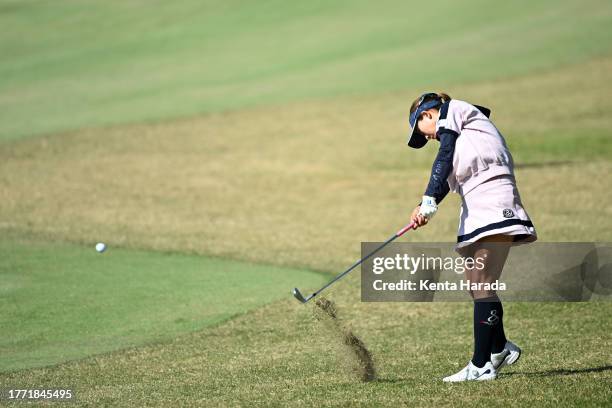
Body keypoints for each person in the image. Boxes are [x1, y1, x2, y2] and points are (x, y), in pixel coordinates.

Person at [406, 92, 537, 382]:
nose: (426, 138)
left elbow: (443, 153)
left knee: (482, 282)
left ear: (429, 114)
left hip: (495, 202)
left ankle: (481, 365)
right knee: (475, 283)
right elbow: (445, 172)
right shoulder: (461, 137)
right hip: (475, 208)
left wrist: (428, 198)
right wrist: (426, 205)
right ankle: (499, 347)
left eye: (420, 130)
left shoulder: (454, 110)